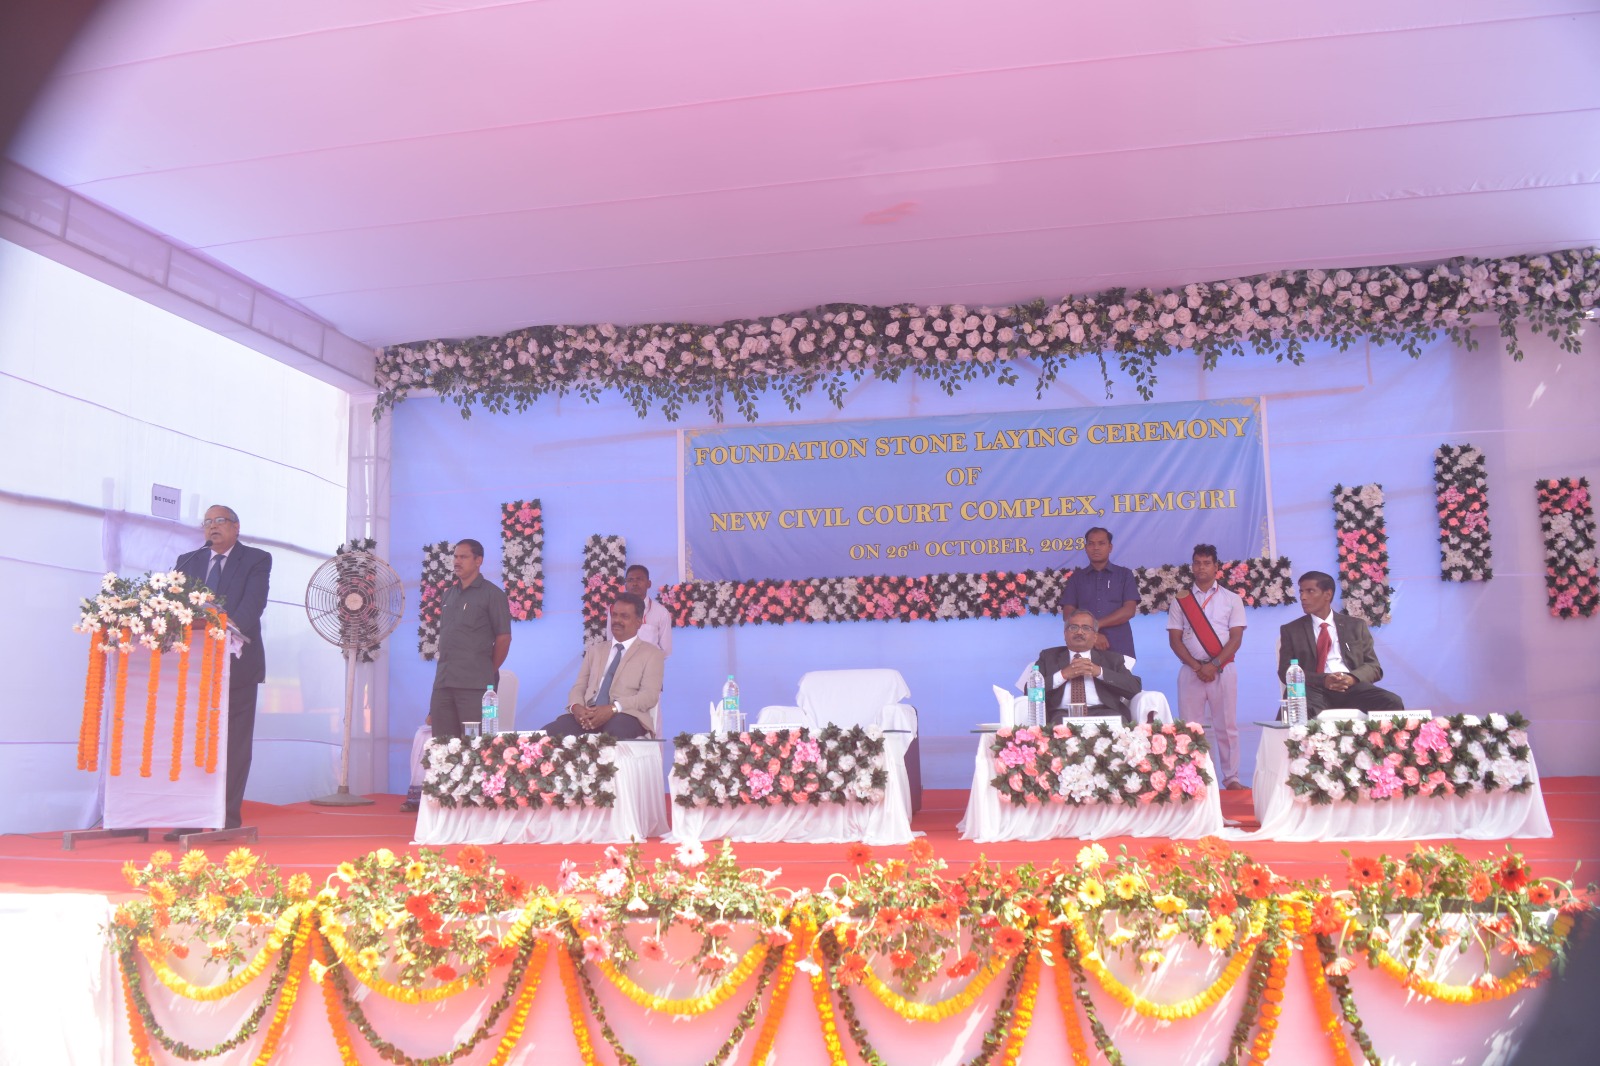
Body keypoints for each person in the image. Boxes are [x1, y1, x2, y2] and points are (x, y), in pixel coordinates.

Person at [171, 505, 272, 837]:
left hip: (237, 665)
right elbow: (175, 608)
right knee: (192, 743)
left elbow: (252, 606)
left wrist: (224, 632)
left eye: (219, 521)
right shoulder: (188, 561)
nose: (212, 527)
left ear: (236, 527)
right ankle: (187, 819)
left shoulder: (256, 559)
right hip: (194, 668)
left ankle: (224, 820)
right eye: (207, 523)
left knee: (233, 746)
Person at [402, 538, 513, 812]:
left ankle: (476, 807)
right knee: (443, 747)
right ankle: (446, 807)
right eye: (455, 557)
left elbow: (504, 638)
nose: (457, 561)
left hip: (476, 686)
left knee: (476, 747)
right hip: (444, 683)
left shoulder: (492, 594)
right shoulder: (449, 595)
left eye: (463, 557)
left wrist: (486, 671)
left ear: (479, 560)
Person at [1167, 544, 1247, 789]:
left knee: (1227, 727)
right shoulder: (1181, 600)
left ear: (1216, 567)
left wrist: (1214, 665)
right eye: (1197, 563)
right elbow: (1174, 639)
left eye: (1206, 563)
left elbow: (1236, 638)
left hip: (1223, 670)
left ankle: (1232, 778)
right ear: (1192, 566)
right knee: (1190, 728)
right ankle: (1195, 777)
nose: (1201, 567)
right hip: (1191, 671)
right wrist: (1197, 666)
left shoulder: (1232, 599)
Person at [1278, 570, 1404, 714]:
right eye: (1301, 592)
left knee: (1392, 702)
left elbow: (1373, 667)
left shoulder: (1355, 626)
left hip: (1351, 687)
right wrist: (1323, 680)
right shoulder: (1291, 630)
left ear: (1327, 595)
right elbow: (1284, 671)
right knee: (1302, 710)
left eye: (1310, 591)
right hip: (1313, 689)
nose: (1303, 597)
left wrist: (1352, 678)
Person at [544, 593, 664, 738]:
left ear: (639, 622)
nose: (617, 620)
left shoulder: (652, 654)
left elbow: (649, 696)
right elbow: (579, 686)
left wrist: (613, 708)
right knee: (547, 734)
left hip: (625, 715)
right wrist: (576, 707)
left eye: (624, 616)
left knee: (612, 734)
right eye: (615, 615)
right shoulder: (595, 650)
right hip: (589, 714)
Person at [1035, 609, 1143, 724]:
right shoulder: (1048, 656)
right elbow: (1030, 690)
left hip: (1105, 712)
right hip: (1062, 714)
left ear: (1095, 636)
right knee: (1058, 729)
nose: (1079, 632)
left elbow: (1134, 688)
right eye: (1073, 627)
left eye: (1086, 628)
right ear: (1065, 634)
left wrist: (1100, 672)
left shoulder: (1112, 659)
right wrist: (1062, 675)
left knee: (1118, 726)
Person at [1057, 526, 1140, 661]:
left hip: (1120, 644)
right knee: (1083, 675)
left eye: (1101, 543)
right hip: (1084, 645)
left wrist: (1094, 627)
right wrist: (1091, 634)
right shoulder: (1076, 578)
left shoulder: (1124, 575)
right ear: (1086, 548)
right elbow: (1068, 614)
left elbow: (1129, 611)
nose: (1096, 548)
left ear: (1110, 547)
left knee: (1121, 675)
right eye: (1091, 544)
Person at [607, 564, 673, 659]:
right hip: (621, 664)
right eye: (630, 580)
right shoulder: (614, 609)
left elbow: (665, 650)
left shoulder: (661, 612)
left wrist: (651, 663)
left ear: (649, 584)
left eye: (639, 579)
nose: (635, 583)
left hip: (649, 664)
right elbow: (610, 641)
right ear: (625, 585)